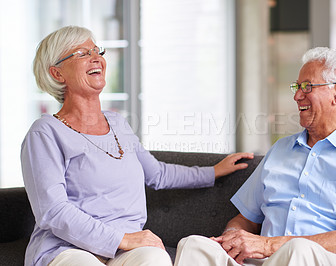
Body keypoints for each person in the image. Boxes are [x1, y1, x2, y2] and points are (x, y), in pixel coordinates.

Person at [21, 25, 254, 266]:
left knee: (155, 258)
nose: (96, 58)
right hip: (68, 249)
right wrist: (121, 238)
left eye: (97, 51)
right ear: (57, 74)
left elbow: (157, 174)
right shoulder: (45, 132)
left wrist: (213, 171)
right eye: (82, 53)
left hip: (124, 251)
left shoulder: (117, 123)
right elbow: (53, 212)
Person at [174, 47, 336, 266]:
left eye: (307, 87)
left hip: (324, 260)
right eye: (297, 87)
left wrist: (269, 245)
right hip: (266, 260)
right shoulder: (280, 150)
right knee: (194, 245)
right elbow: (245, 220)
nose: (297, 96)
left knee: (298, 250)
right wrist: (233, 239)